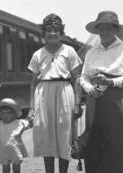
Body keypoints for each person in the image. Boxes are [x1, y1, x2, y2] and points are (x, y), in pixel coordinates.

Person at [80, 11, 123, 173]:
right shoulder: (92, 52)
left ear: (115, 30)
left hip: (117, 101)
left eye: (108, 29)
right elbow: (83, 76)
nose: (104, 32)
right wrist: (89, 89)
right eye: (101, 29)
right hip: (95, 101)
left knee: (119, 141)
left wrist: (111, 82)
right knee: (95, 140)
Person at [28, 14, 82, 173]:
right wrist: (31, 108)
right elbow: (33, 83)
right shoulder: (38, 54)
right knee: (46, 135)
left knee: (64, 133)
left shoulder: (69, 51)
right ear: (43, 33)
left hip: (64, 92)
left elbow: (76, 79)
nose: (53, 33)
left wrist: (78, 103)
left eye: (56, 30)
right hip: (43, 93)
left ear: (61, 32)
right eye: (49, 30)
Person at [0, 98, 33, 173]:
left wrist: (31, 118)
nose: (5, 115)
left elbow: (29, 123)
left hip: (15, 150)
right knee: (5, 168)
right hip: (3, 151)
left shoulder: (19, 123)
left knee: (16, 167)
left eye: (8, 113)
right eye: (2, 113)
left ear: (14, 114)